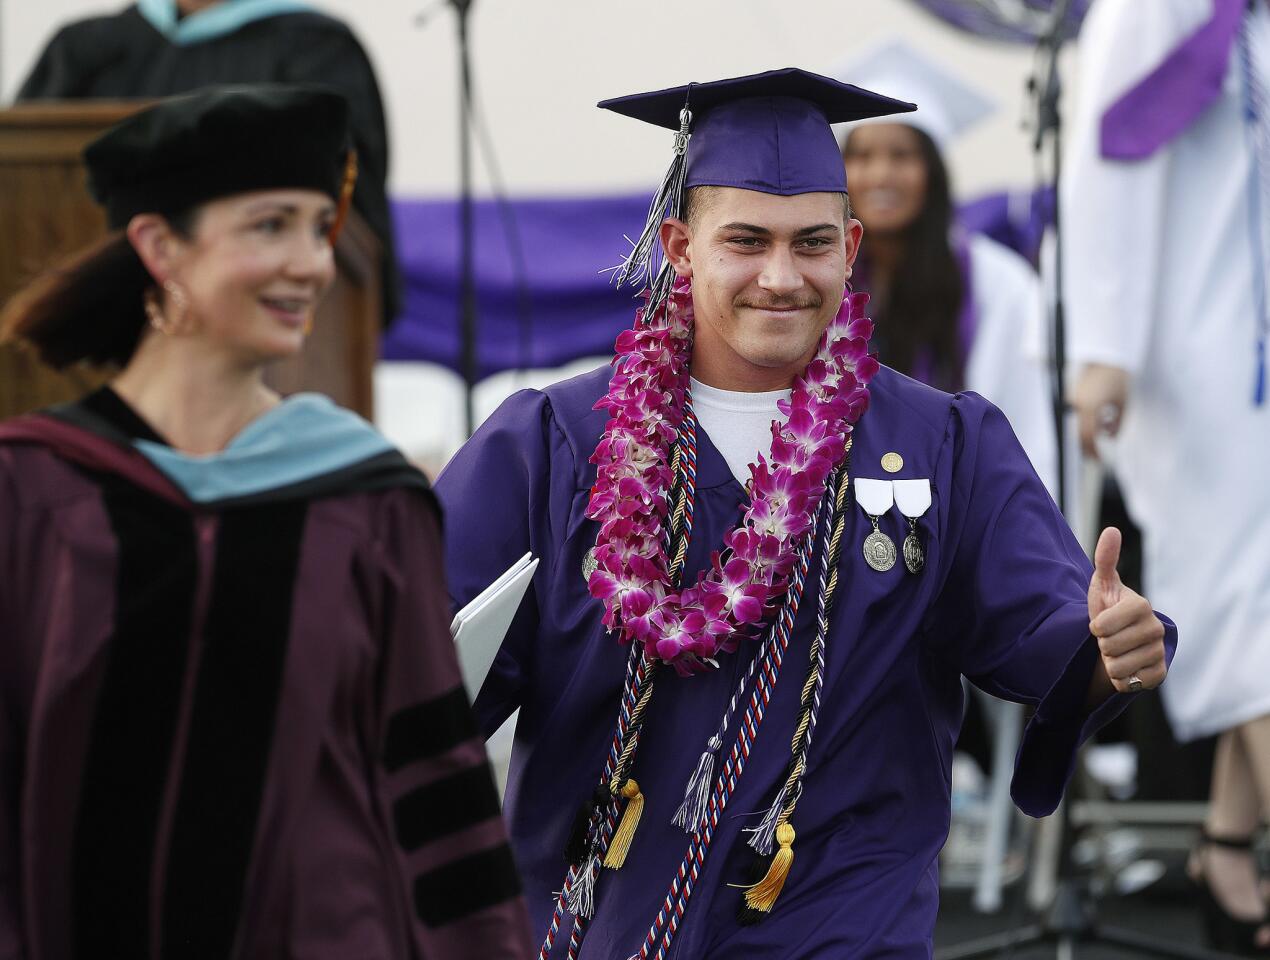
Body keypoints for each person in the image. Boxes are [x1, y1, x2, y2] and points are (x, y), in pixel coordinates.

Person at [435, 67, 1175, 958]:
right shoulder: (552, 442)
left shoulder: (942, 442)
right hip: (601, 911)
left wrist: (1109, 651)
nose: (781, 277)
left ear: (851, 244)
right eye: (746, 240)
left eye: (812, 243)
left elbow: (1048, 624)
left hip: (839, 911)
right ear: (680, 246)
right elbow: (425, 667)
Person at [0, 85, 531, 959]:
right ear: (160, 246)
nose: (312, 263)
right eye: (270, 224)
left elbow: (438, 793)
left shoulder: (364, 502)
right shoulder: (35, 493)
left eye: (319, 226)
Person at [1063, 0, 1270, 951]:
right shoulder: (1153, 6)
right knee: (1245, 615)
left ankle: (1226, 849)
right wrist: (1104, 346)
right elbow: (1111, 160)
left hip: (1254, 354)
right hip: (1192, 371)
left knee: (1261, 617)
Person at [17, 0, 401, 326]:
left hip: (267, 334)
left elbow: (352, 208)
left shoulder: (314, 48)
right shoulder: (85, 49)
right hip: (82, 326)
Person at [835, 40, 1057, 494]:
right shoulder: (821, 277)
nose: (880, 174)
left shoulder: (998, 283)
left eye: (901, 155)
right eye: (862, 156)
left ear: (931, 172)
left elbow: (1026, 428)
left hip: (961, 507)